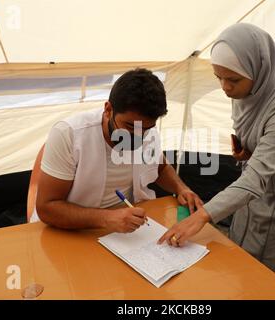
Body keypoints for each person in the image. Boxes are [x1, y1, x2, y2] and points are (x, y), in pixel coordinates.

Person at [158, 23, 275, 283]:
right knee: (241, 250)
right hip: (251, 183)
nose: (225, 87)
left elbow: (257, 177)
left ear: (258, 69)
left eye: (233, 80)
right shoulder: (246, 90)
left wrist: (202, 216)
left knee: (264, 264)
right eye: (219, 77)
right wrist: (247, 152)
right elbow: (257, 154)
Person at [33, 68, 202, 233]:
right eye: (129, 126)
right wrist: (107, 218)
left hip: (127, 228)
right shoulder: (69, 134)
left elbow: (160, 167)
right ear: (108, 110)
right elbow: (47, 207)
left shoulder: (143, 128)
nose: (138, 137)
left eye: (147, 128)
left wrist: (181, 189)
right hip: (74, 230)